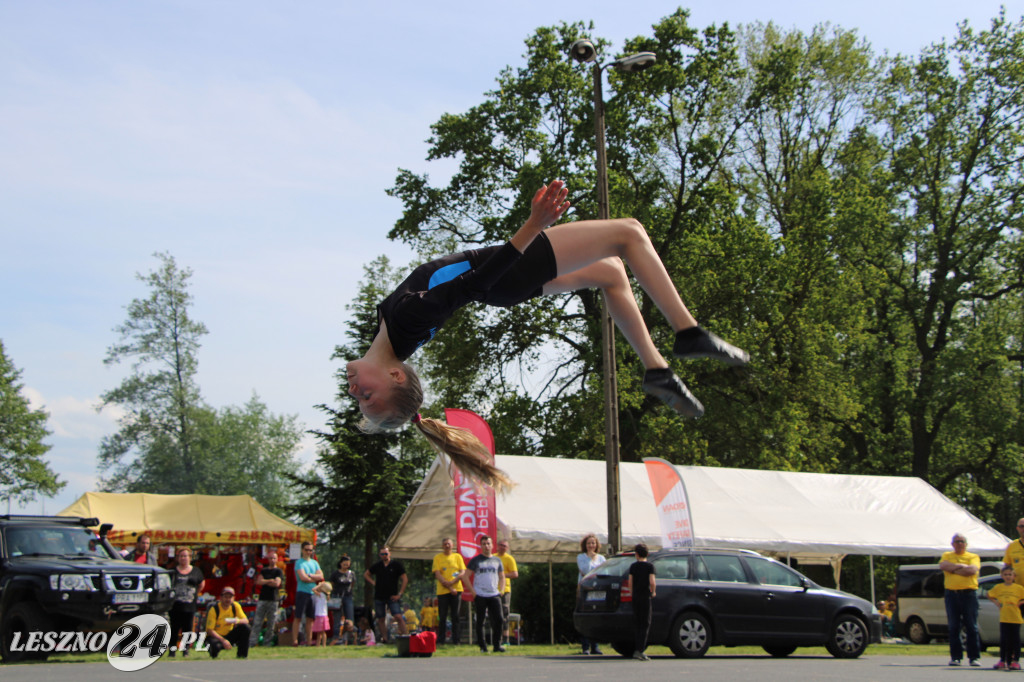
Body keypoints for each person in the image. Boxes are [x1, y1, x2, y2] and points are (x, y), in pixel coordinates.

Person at [346, 180, 749, 489]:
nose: (355, 392)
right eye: (368, 396)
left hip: (504, 284)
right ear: (396, 376)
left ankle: (656, 369)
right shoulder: (407, 321)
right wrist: (532, 227)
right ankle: (688, 331)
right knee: (629, 233)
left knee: (612, 274)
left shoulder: (393, 332)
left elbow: (468, 289)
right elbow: (469, 285)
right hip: (507, 271)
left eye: (360, 399)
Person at [939, 532, 981, 666]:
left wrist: (954, 569)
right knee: (953, 626)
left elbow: (972, 571)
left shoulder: (973, 556)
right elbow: (943, 566)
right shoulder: (947, 555)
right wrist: (962, 567)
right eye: (957, 541)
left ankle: (974, 657)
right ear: (952, 544)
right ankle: (956, 657)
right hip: (952, 594)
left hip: (969, 594)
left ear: (966, 544)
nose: (960, 544)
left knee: (971, 626)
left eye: (962, 541)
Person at [465, 535, 506, 653]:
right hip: (480, 594)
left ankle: (497, 645)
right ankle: (483, 646)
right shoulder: (476, 560)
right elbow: (466, 576)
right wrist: (473, 592)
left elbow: (502, 576)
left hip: (494, 594)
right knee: (480, 621)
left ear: (492, 545)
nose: (486, 546)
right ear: (481, 546)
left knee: (499, 619)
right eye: (484, 544)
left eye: (488, 543)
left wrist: (501, 590)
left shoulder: (497, 560)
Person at [364, 545, 408, 644]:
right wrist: (373, 583)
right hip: (379, 596)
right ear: (380, 555)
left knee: (398, 616)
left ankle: (406, 637)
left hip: (393, 596)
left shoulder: (396, 565)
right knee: (381, 618)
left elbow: (405, 578)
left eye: (386, 553)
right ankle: (385, 639)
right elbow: (366, 574)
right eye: (382, 554)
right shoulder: (377, 565)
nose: (384, 555)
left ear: (390, 554)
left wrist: (400, 594)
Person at [167, 546, 205, 657]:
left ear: (190, 558)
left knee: (187, 629)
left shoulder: (196, 571)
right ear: (178, 558)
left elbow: (201, 584)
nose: (184, 558)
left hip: (189, 605)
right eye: (181, 556)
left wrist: (194, 594)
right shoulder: (173, 571)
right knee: (174, 628)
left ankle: (186, 650)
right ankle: (172, 650)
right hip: (175, 606)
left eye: (186, 556)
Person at [987, 565, 1024, 670]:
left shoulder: (1019, 588)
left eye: (1010, 574)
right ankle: (1002, 660)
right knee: (1004, 640)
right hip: (1004, 618)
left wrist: (1021, 602)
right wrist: (996, 603)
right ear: (1002, 576)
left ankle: (1015, 661)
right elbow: (989, 594)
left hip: (1016, 618)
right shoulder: (999, 587)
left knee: (1015, 640)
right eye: (1005, 574)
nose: (1008, 577)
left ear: (1014, 576)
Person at [432, 537, 467, 645]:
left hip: (456, 590)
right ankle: (441, 639)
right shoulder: (438, 557)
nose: (447, 546)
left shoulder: (457, 557)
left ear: (453, 545)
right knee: (442, 615)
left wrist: (453, 582)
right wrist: (448, 585)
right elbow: (437, 574)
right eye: (445, 544)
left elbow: (462, 571)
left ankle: (456, 639)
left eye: (449, 544)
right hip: (443, 591)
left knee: (455, 615)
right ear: (442, 546)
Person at [576, 533, 606, 655]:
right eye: (589, 543)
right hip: (585, 589)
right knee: (585, 618)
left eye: (593, 543)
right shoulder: (581, 557)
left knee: (596, 618)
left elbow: (602, 571)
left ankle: (595, 646)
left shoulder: (602, 558)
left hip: (597, 590)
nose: (591, 545)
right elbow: (585, 570)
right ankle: (585, 646)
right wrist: (590, 558)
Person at [290, 541, 324, 646]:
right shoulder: (299, 563)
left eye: (310, 550)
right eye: (306, 550)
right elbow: (302, 578)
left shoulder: (315, 563)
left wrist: (310, 576)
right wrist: (313, 577)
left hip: (313, 593)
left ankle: (309, 642)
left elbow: (321, 576)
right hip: (302, 592)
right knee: (298, 617)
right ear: (302, 550)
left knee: (310, 618)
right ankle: (295, 640)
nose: (308, 552)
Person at [627, 543, 656, 661]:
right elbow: (652, 582)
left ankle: (636, 648)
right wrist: (653, 592)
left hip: (636, 597)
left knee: (637, 623)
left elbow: (630, 582)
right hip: (645, 597)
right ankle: (640, 649)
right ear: (647, 554)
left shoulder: (633, 567)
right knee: (645, 623)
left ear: (636, 554)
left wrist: (631, 593)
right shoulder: (650, 566)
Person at [249, 549, 283, 648]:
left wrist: (266, 581)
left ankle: (267, 643)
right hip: (262, 599)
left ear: (277, 559)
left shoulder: (278, 571)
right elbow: (259, 582)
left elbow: (277, 583)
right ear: (268, 559)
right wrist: (270, 580)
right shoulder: (264, 570)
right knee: (257, 621)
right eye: (271, 558)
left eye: (274, 558)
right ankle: (252, 642)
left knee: (271, 623)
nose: (272, 560)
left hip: (273, 600)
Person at [205, 586, 250, 659]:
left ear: (233, 598)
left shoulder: (235, 606)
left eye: (230, 597)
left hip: (229, 634)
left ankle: (242, 655)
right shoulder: (214, 609)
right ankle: (213, 653)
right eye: (225, 597)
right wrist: (223, 640)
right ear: (221, 598)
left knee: (246, 628)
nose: (228, 599)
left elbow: (246, 620)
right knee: (215, 647)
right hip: (217, 636)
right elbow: (210, 630)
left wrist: (237, 621)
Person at [328, 555, 356, 645]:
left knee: (349, 617)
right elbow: (330, 585)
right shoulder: (335, 574)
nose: (346, 564)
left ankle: (350, 637)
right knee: (337, 618)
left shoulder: (351, 573)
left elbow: (352, 584)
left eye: (348, 563)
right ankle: (336, 637)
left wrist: (350, 592)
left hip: (347, 596)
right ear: (340, 563)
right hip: (337, 596)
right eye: (344, 562)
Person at [496, 539, 518, 645]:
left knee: (505, 614)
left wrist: (502, 575)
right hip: (493, 590)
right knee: (495, 614)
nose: (502, 547)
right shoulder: (493, 557)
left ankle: (506, 639)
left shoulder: (509, 559)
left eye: (505, 546)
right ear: (497, 546)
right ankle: (497, 638)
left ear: (507, 548)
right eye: (501, 545)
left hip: (505, 590)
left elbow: (515, 574)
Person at [311, 581, 332, 646]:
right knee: (321, 632)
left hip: (320, 615)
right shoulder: (326, 596)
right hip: (323, 615)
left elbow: (313, 589)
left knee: (320, 632)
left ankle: (321, 644)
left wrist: (320, 585)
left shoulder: (321, 595)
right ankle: (322, 644)